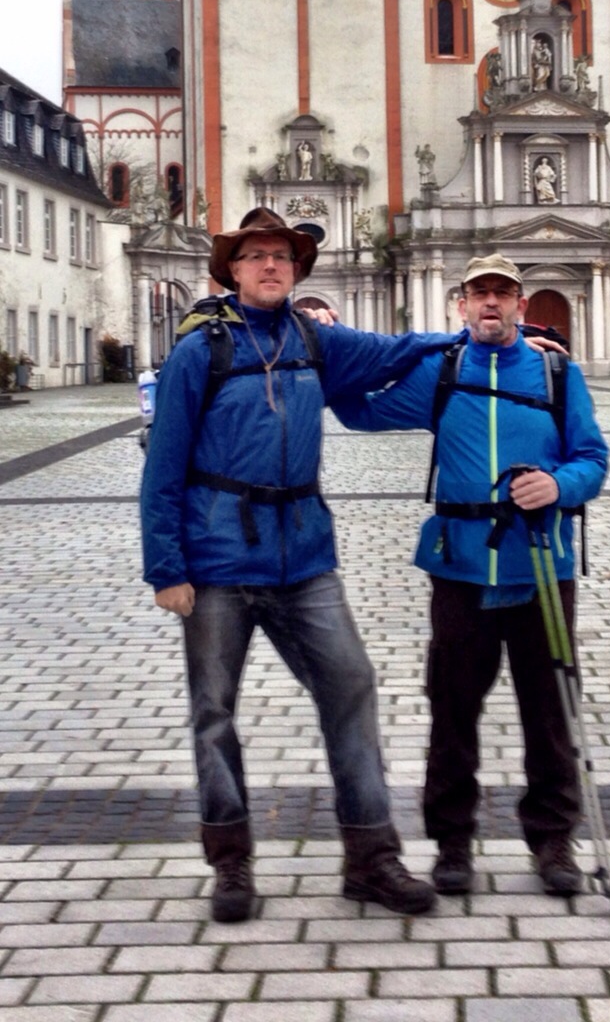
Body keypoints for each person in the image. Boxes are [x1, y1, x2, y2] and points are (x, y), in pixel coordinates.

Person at [140, 206, 457, 923]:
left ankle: (370, 859)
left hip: (306, 559)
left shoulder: (316, 340)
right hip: (218, 562)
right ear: (232, 270)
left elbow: (397, 351)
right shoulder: (201, 350)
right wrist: (166, 568)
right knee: (214, 713)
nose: (270, 265)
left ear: (296, 269)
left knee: (351, 686)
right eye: (256, 255)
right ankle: (231, 862)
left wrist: (484, 339)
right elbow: (163, 465)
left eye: (281, 256)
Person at [332, 254, 608, 899]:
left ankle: (553, 840)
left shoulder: (557, 373)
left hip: (541, 565)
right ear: (461, 304)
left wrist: (559, 485)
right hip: (460, 567)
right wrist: (343, 361)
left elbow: (592, 458)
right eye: (480, 293)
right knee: (452, 709)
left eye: (503, 294)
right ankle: (452, 842)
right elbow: (359, 412)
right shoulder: (444, 370)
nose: (491, 303)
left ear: (520, 305)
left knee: (550, 711)